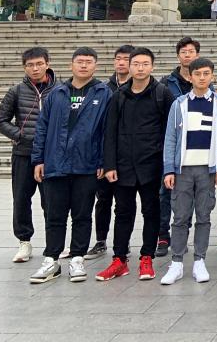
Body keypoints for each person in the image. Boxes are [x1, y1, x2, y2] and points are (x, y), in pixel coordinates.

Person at [28, 48, 109, 284]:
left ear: (95, 66)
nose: (84, 65)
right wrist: (38, 159)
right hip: (56, 163)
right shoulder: (57, 93)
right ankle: (51, 260)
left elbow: (107, 130)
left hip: (87, 164)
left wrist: (103, 160)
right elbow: (42, 127)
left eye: (88, 62)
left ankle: (77, 259)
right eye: (79, 61)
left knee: (82, 215)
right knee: (55, 215)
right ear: (71, 65)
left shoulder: (104, 93)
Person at [97, 47, 172, 282]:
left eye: (145, 64)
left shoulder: (162, 94)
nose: (140, 68)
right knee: (122, 212)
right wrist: (109, 165)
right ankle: (119, 260)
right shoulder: (119, 96)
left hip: (152, 166)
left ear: (152, 66)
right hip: (123, 167)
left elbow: (171, 132)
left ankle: (146, 258)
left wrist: (168, 166)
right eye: (136, 64)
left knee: (151, 211)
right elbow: (109, 132)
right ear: (129, 67)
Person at [160, 57, 217, 284]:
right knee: (180, 217)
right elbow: (170, 138)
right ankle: (177, 262)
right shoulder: (179, 104)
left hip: (207, 169)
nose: (201, 78)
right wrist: (169, 169)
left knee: (204, 216)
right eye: (197, 74)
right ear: (190, 77)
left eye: (206, 73)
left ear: (212, 76)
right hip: (183, 169)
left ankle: (200, 260)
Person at [0, 46, 58, 264]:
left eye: (39, 64)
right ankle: (24, 241)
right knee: (21, 199)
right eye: (30, 65)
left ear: (47, 64)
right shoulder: (16, 91)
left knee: (52, 201)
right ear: (24, 67)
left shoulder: (60, 90)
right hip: (24, 154)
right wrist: (19, 135)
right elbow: (0, 121)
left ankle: (54, 242)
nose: (35, 69)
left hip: (51, 155)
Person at [85, 44, 134, 261]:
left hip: (128, 155)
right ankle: (101, 240)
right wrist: (101, 159)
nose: (121, 63)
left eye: (126, 59)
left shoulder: (138, 88)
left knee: (125, 203)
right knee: (103, 199)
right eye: (118, 59)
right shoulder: (104, 89)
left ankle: (123, 242)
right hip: (105, 153)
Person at [157, 36, 200, 256]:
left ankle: (182, 234)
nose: (187, 55)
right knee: (165, 192)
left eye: (191, 51)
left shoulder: (202, 80)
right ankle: (162, 235)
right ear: (178, 56)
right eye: (184, 52)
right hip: (172, 144)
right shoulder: (166, 83)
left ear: (197, 55)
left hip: (196, 146)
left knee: (189, 193)